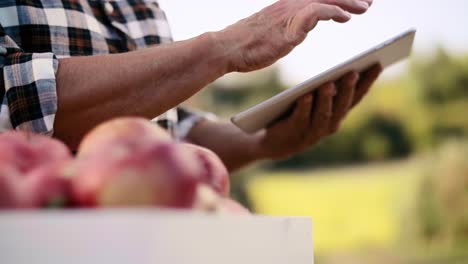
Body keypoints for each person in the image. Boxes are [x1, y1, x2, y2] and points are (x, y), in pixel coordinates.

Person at [0, 0, 381, 171]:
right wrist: (226, 47)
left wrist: (263, 141)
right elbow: (13, 98)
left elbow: (162, 130)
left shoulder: (139, 6)